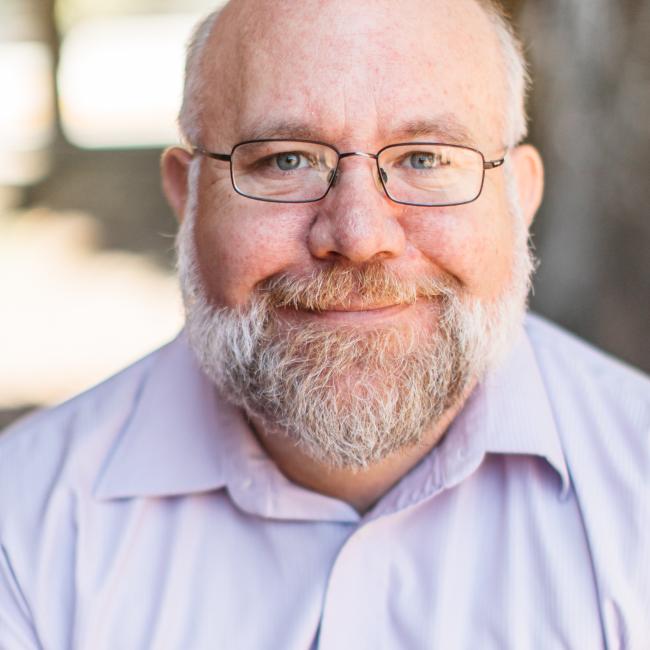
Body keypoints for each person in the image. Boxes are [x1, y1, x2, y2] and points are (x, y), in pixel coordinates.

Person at [1, 0, 648, 647]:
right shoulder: (23, 528)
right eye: (286, 160)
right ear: (187, 196)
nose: (360, 236)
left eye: (425, 158)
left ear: (520, 198)